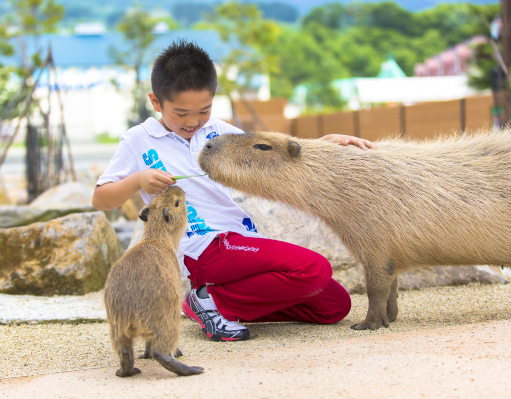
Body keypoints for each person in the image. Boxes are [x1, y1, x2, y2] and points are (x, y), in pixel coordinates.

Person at [92, 40, 377, 342]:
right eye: (181, 113)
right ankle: (210, 302)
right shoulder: (138, 139)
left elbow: (273, 157)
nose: (192, 122)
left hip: (241, 242)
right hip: (202, 247)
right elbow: (101, 199)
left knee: (333, 306)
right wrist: (137, 180)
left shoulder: (221, 132)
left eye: (203, 110)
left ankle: (219, 303)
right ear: (156, 102)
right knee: (313, 269)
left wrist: (324, 144)